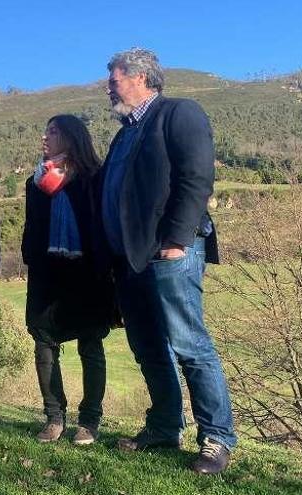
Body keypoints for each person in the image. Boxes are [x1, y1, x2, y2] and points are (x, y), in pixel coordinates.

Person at [98, 48, 236, 474]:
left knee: (189, 344)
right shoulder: (123, 134)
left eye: (115, 79)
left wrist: (177, 239)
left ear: (141, 78)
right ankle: (162, 427)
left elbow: (196, 177)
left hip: (170, 252)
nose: (109, 87)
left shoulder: (179, 113)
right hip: (129, 260)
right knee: (148, 348)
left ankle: (216, 438)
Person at [22, 115, 117, 445]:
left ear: (72, 138)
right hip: (47, 276)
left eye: (53, 132)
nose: (45, 137)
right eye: (45, 130)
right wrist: (31, 258)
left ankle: (90, 421)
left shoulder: (94, 177)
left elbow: (103, 226)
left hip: (87, 274)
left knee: (90, 345)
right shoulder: (35, 182)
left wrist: (106, 269)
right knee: (44, 344)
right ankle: (54, 417)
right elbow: (33, 227)